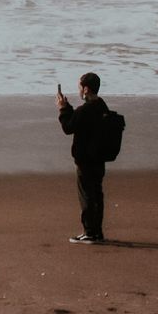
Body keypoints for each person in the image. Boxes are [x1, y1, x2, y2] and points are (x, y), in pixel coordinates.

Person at [56, 72, 109, 244]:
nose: (79, 90)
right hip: (99, 158)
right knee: (96, 195)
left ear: (86, 89)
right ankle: (96, 232)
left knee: (87, 196)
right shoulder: (101, 106)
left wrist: (63, 109)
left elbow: (68, 127)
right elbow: (78, 121)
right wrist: (69, 108)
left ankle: (90, 232)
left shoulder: (85, 110)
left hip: (85, 160)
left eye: (80, 87)